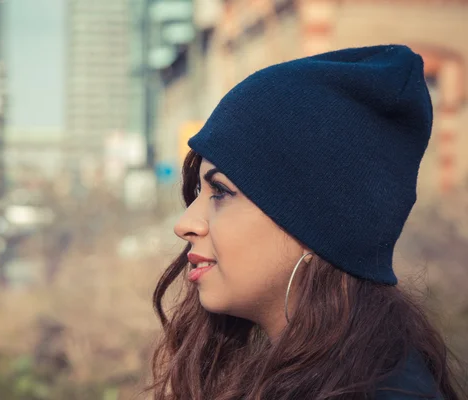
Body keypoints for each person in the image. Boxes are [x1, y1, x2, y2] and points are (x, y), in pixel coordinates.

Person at [149, 45, 467, 399]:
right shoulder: (314, 376)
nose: (185, 224)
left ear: (319, 224)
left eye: (221, 191)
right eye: (197, 192)